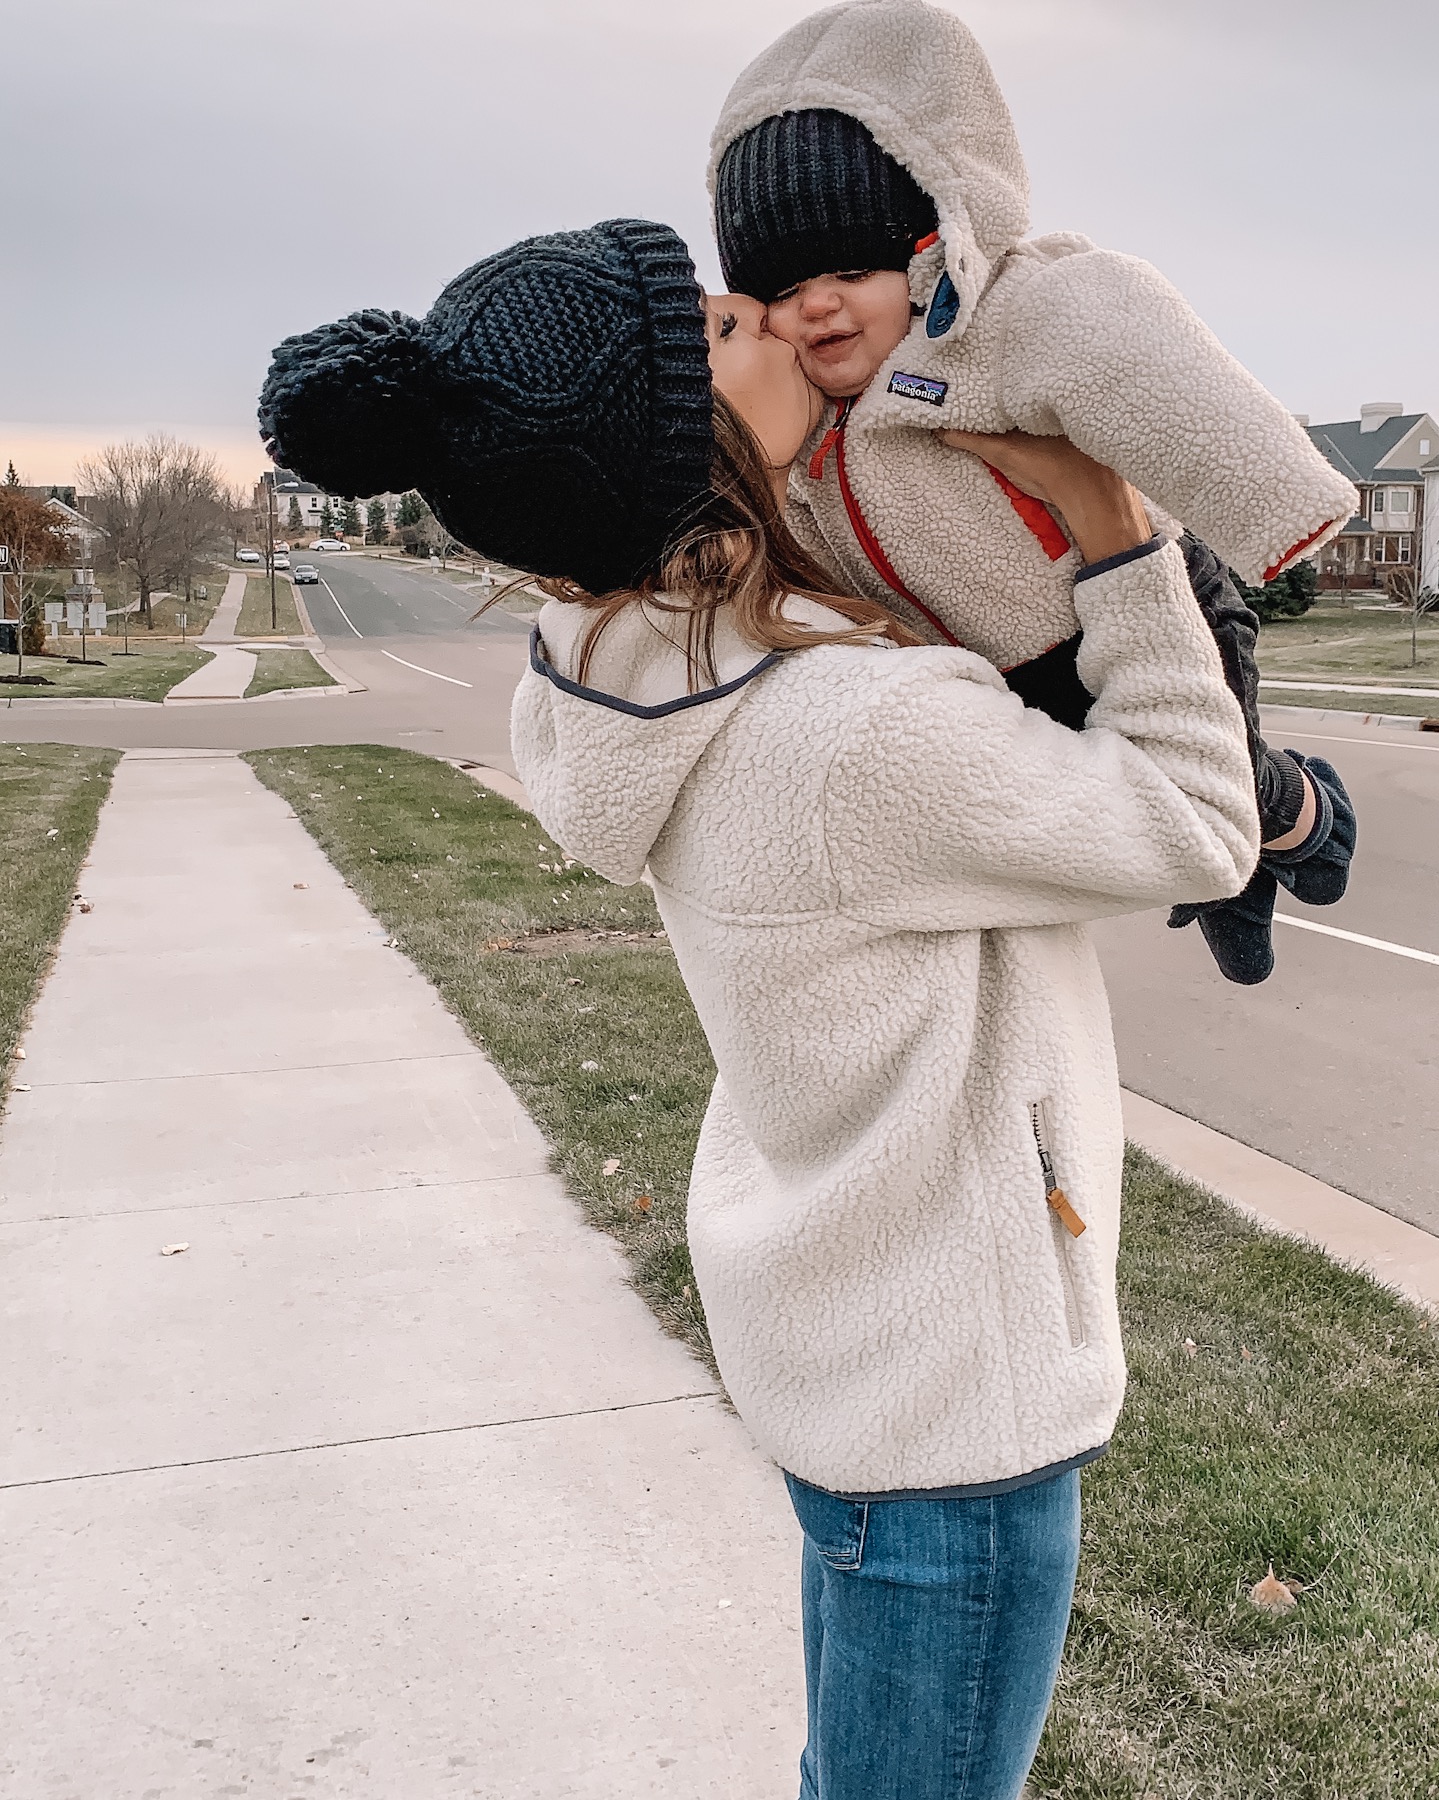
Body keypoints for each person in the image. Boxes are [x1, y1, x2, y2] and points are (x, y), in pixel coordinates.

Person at [258, 220, 1260, 1800]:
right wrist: (1110, 526)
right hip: (952, 1399)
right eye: (724, 331)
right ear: (693, 453)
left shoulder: (609, 666)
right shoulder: (845, 735)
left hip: (853, 1340)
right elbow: (1198, 820)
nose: (775, 320)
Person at [709, 0, 1358, 981]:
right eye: (787, 291)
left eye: (851, 267)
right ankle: (1231, 873)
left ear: (930, 244)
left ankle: (1309, 817)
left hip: (1153, 601)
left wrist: (1272, 496)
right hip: (1008, 669)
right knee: (1129, 817)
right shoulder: (804, 423)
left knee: (1226, 784)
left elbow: (1127, 342)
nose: (820, 303)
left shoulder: (999, 322)